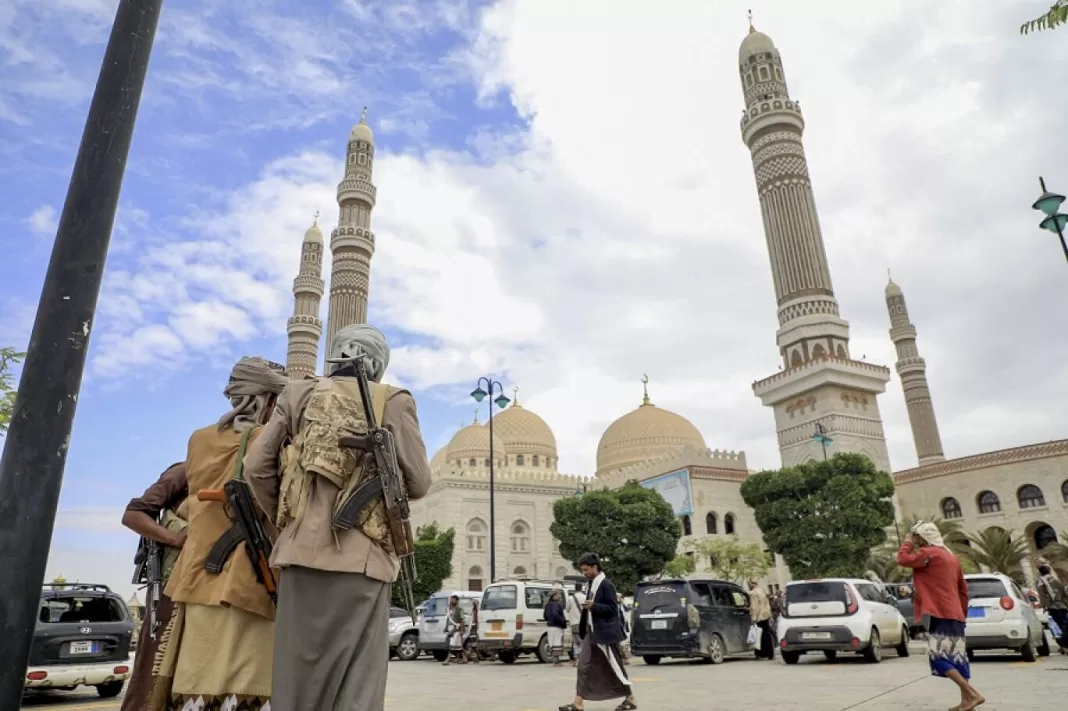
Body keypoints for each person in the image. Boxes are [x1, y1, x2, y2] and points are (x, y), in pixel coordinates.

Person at [244, 324, 433, 711]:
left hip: (298, 559)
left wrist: (289, 520)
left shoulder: (297, 393)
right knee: (357, 685)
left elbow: (255, 468)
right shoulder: (392, 400)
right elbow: (419, 482)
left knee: (296, 684)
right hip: (363, 564)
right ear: (379, 363)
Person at [157, 356, 290, 711]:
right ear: (268, 399)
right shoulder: (272, 440)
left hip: (197, 575)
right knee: (248, 687)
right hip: (249, 578)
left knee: (196, 685)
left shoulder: (199, 439)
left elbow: (196, 502)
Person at [119, 462, 188, 711]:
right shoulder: (188, 469)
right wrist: (175, 538)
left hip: (205, 585)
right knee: (152, 671)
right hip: (170, 585)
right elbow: (133, 514)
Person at [897, 521, 984, 711]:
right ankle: (967, 703)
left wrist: (907, 543)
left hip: (940, 612)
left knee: (938, 657)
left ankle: (972, 694)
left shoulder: (928, 554)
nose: (915, 539)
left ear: (923, 537)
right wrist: (962, 613)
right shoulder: (950, 557)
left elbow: (903, 559)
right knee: (958, 658)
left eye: (916, 536)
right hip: (955, 614)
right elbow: (963, 589)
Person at [559, 553, 636, 711]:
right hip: (591, 633)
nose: (584, 573)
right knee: (583, 666)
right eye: (583, 570)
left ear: (595, 567)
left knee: (615, 666)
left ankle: (630, 698)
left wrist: (594, 606)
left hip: (605, 634)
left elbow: (612, 609)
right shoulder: (591, 584)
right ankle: (578, 702)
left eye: (586, 569)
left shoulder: (606, 584)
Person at [1035, 557, 1068, 654]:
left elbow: (1042, 595)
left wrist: (1043, 606)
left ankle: (1064, 644)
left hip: (1053, 607)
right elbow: (1064, 593)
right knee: (1064, 624)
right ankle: (1064, 645)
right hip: (1062, 606)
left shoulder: (1041, 582)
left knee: (1059, 626)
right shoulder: (1055, 579)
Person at [748, 579, 774, 660]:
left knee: (759, 636)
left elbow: (755, 607)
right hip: (765, 615)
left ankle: (760, 653)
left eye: (748, 584)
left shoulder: (753, 593)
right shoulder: (762, 591)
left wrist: (754, 618)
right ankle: (770, 654)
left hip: (759, 617)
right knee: (767, 635)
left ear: (752, 584)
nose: (748, 586)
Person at [545, 590, 567, 666]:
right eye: (557, 595)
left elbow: (545, 616)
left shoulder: (547, 604)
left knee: (552, 643)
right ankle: (556, 661)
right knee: (557, 643)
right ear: (553, 596)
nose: (559, 597)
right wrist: (562, 621)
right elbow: (555, 614)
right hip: (556, 626)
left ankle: (554, 661)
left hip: (550, 626)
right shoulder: (556, 604)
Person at [567, 584, 586, 666]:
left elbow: (567, 609)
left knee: (575, 642)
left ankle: (577, 660)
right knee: (582, 641)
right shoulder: (585, 597)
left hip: (574, 623)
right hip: (583, 623)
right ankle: (583, 659)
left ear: (575, 589)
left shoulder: (571, 598)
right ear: (581, 589)